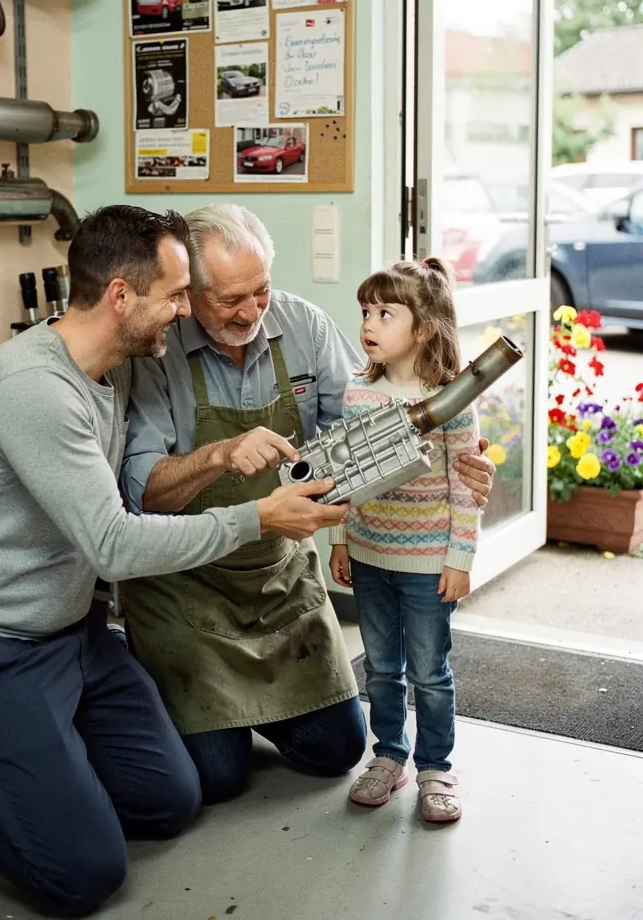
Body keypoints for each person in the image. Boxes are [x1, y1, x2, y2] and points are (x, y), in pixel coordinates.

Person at [0, 206, 348, 919]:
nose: (184, 314)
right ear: (122, 297)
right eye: (177, 297)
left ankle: (25, 749)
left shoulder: (119, 365)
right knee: (84, 875)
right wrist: (256, 515)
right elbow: (117, 543)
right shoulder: (34, 390)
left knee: (170, 800)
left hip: (70, 635)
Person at [121, 206, 496, 805]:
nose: (251, 312)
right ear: (190, 292)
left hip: (278, 583)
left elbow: (363, 431)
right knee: (218, 778)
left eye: (261, 290)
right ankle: (170, 689)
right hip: (187, 585)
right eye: (231, 300)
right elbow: (142, 492)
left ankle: (247, 711)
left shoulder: (305, 326)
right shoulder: (157, 352)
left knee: (337, 751)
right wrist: (218, 456)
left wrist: (456, 460)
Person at [329, 257, 480, 824]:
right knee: (381, 669)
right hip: (368, 555)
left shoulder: (451, 399)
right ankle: (388, 756)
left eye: (385, 313)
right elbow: (344, 475)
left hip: (426, 564)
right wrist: (341, 543)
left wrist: (459, 557)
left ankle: (436, 767)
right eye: (366, 311)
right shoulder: (358, 391)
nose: (368, 323)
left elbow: (463, 488)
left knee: (429, 672)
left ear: (423, 328)